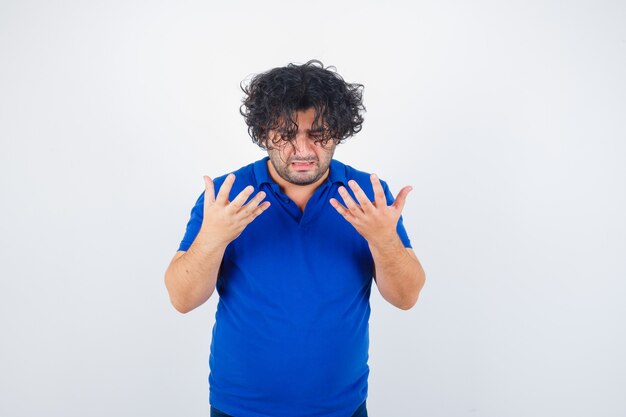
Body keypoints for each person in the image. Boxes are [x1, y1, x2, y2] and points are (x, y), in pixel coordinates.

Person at [164, 59, 426, 417]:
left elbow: (406, 297)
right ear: (262, 132)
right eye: (286, 134)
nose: (303, 151)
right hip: (239, 409)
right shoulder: (227, 196)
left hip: (342, 408)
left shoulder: (369, 196)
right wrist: (214, 238)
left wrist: (384, 240)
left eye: (318, 134)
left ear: (339, 131)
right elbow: (182, 299)